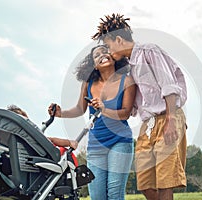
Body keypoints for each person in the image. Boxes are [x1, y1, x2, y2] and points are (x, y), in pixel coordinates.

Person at [92, 13, 188, 200]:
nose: (109, 52)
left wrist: (171, 119)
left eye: (109, 46)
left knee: (165, 182)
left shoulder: (149, 52)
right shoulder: (130, 67)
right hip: (148, 125)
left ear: (119, 39)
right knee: (145, 183)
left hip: (166, 116)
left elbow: (169, 86)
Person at [48, 45, 136, 200]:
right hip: (96, 146)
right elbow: (79, 109)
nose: (103, 54)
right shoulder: (88, 83)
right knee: (97, 196)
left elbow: (125, 113)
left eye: (105, 51)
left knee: (115, 194)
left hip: (120, 141)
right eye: (97, 55)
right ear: (94, 65)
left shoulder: (127, 81)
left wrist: (103, 108)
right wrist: (61, 113)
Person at [7, 104, 78, 149]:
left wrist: (52, 118)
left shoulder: (5, 136)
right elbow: (48, 140)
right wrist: (69, 143)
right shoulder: (27, 133)